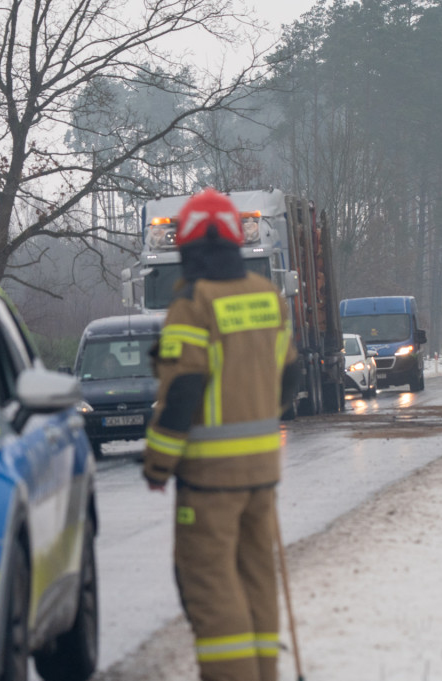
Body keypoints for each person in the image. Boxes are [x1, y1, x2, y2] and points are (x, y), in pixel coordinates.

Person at [142, 188, 299, 681]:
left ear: (186, 248)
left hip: (209, 480)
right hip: (261, 473)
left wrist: (157, 464)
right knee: (256, 581)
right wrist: (256, 412)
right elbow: (290, 378)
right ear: (235, 242)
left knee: (211, 588)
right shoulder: (267, 296)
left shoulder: (193, 301)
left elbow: (184, 389)